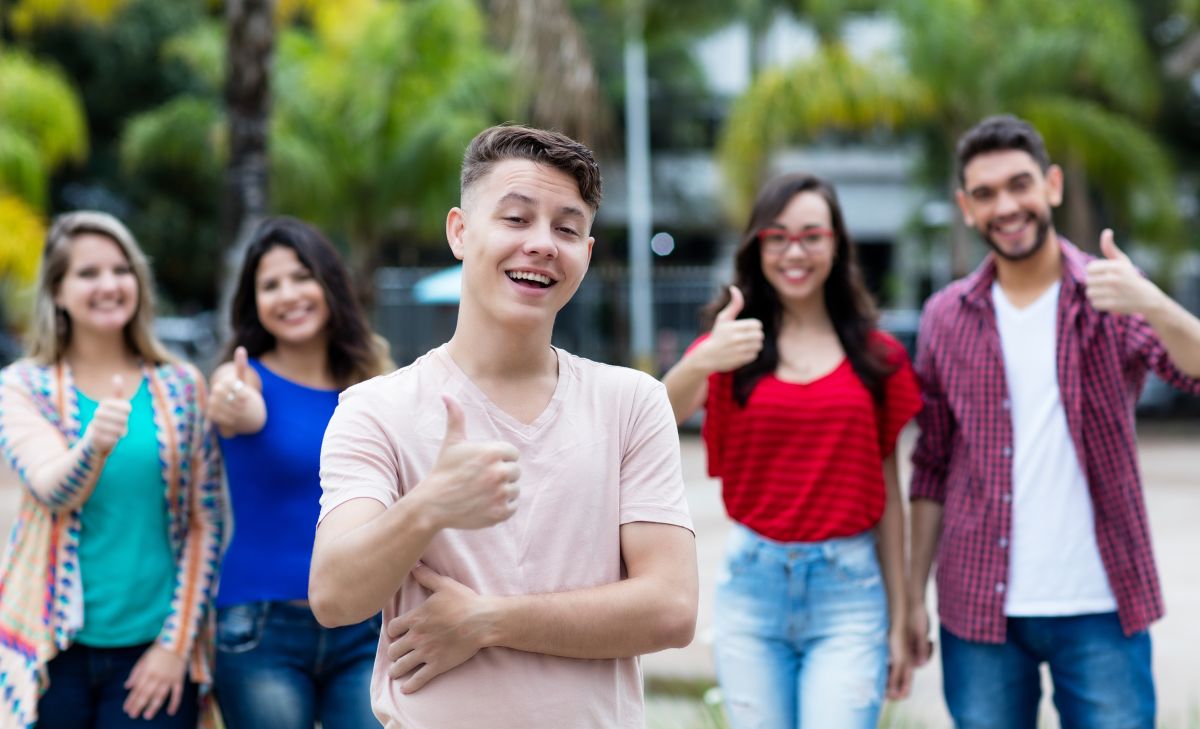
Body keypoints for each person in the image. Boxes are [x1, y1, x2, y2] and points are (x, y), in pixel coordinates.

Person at [308, 124, 698, 729]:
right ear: (460, 231)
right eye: (516, 219)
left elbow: (671, 608)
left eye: (567, 229)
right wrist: (430, 506)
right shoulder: (375, 408)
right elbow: (334, 597)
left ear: (586, 256)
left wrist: (489, 620)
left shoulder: (632, 402)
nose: (542, 244)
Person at [906, 114, 1200, 728]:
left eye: (1020, 185)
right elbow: (931, 465)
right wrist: (912, 597)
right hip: (979, 607)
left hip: (1101, 603)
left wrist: (1150, 299)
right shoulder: (945, 317)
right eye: (985, 194)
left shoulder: (1111, 294)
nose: (1006, 206)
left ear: (1053, 186)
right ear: (965, 207)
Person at [662, 173, 920, 728]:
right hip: (753, 590)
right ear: (758, 247)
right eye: (777, 237)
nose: (793, 252)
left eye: (811, 236)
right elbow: (652, 419)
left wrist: (901, 617)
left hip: (850, 593)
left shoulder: (877, 355)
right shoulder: (733, 345)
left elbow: (889, 496)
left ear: (836, 243)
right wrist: (705, 358)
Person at [0, 211, 224, 728]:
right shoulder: (23, 386)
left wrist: (175, 646)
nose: (109, 285)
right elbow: (54, 489)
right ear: (56, 292)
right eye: (87, 273)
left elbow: (204, 520)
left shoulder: (182, 387)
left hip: (153, 654)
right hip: (52, 655)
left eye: (121, 270)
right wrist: (92, 447)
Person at [206, 216, 392, 729]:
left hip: (364, 624)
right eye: (270, 285)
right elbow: (234, 405)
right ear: (254, 302)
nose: (288, 294)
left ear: (329, 283)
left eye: (301, 276)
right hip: (261, 627)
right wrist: (231, 400)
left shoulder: (374, 385)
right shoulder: (244, 379)